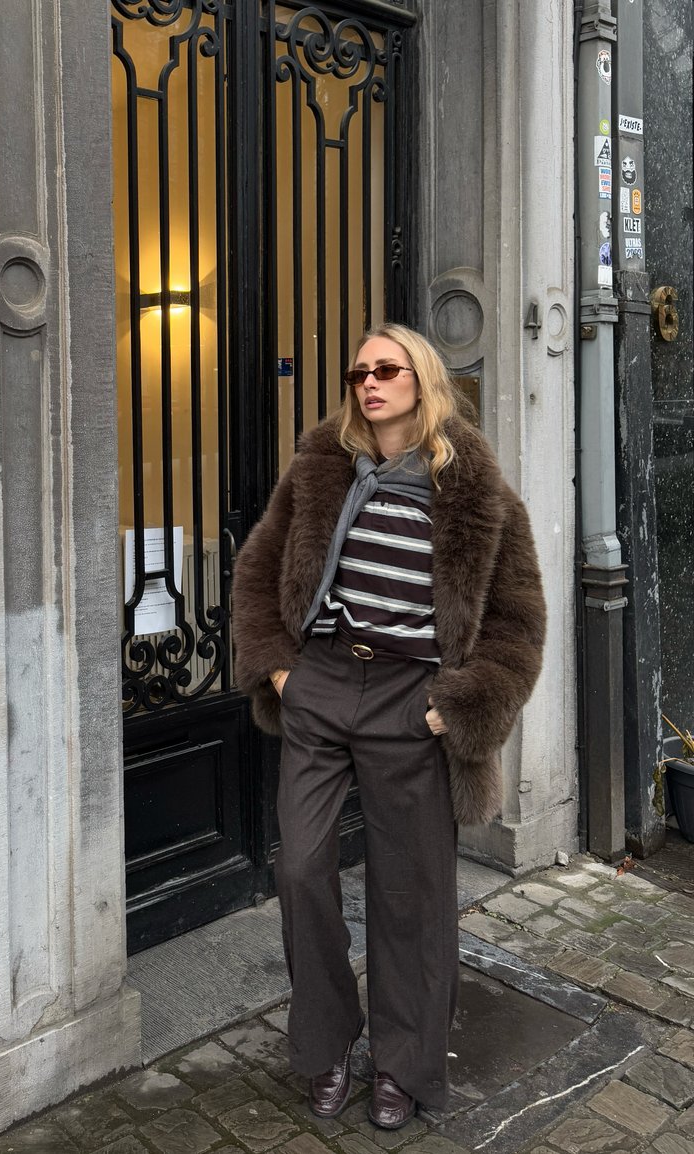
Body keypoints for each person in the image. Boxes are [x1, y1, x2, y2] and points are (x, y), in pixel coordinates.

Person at [231, 323, 546, 1129]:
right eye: (358, 372)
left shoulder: (476, 491)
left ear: (423, 381)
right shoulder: (320, 469)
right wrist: (279, 668)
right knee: (301, 867)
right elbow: (261, 568)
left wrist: (458, 705)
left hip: (414, 696)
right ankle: (328, 1044)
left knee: (410, 894)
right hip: (324, 681)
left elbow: (516, 622)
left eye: (387, 370)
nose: (369, 383)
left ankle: (403, 1065)